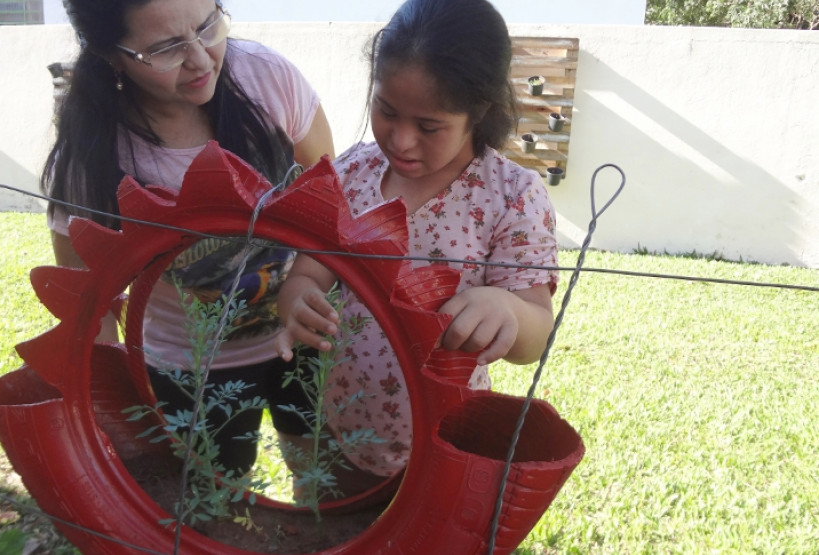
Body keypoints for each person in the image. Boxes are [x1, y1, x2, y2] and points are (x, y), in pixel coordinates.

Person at [41, 0, 335, 475]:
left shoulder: (267, 79)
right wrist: (106, 403)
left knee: (324, 485)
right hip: (189, 370)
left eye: (207, 25)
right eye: (166, 48)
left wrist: (307, 288)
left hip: (307, 339)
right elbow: (88, 304)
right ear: (110, 55)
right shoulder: (93, 154)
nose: (202, 59)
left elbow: (326, 202)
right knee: (213, 504)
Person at [276, 0, 558, 493]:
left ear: (480, 110)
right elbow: (309, 271)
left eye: (429, 126)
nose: (401, 140)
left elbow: (534, 337)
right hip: (335, 431)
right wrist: (297, 298)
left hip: (441, 446)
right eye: (386, 110)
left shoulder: (511, 195)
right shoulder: (351, 174)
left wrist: (507, 308)